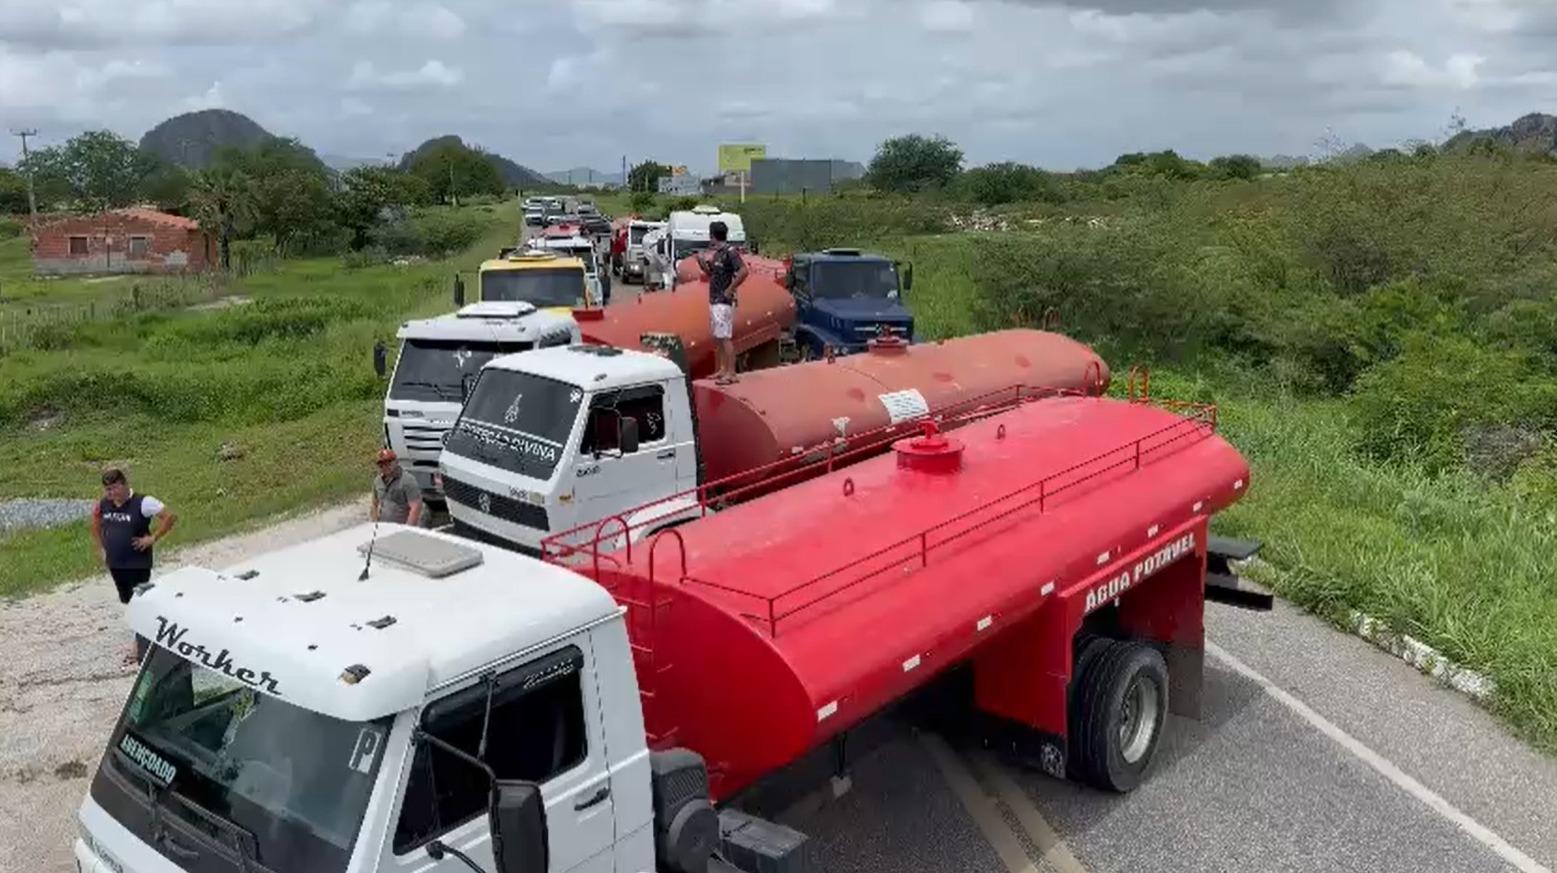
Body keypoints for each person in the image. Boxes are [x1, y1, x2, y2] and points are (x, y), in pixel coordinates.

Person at [90, 468, 177, 666]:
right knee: (129, 601)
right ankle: (146, 635)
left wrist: (152, 538)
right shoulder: (104, 504)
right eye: (107, 490)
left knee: (139, 601)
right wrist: (101, 548)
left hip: (137, 562)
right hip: (116, 564)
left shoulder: (143, 502)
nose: (111, 493)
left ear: (124, 484)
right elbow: (95, 523)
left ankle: (139, 647)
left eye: (114, 488)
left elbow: (169, 516)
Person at [696, 220, 749, 384]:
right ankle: (723, 368)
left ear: (713, 236)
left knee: (725, 337)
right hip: (714, 299)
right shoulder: (718, 254)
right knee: (718, 336)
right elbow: (711, 273)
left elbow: (744, 271)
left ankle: (731, 373)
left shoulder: (730, 252)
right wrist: (701, 262)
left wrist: (730, 289)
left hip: (723, 301)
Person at [371, 448, 424, 527]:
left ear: (396, 462)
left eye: (388, 463)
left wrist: (407, 528)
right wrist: (375, 524)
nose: (385, 467)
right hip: (384, 527)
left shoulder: (408, 480)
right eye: (381, 465)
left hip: (401, 527)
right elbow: (374, 504)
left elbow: (416, 506)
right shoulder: (377, 481)